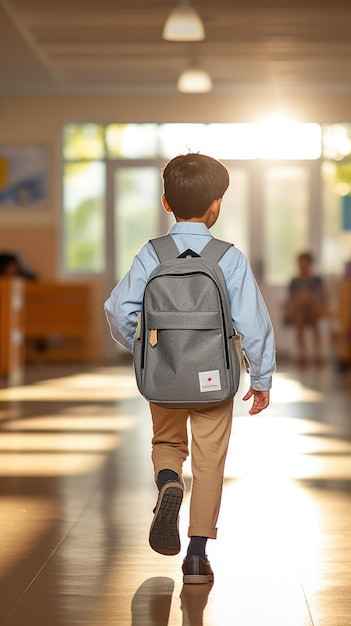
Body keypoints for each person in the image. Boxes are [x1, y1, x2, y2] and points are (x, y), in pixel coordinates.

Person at [104, 153, 276, 584]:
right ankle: (197, 555)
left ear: (166, 203)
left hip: (162, 374)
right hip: (214, 377)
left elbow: (118, 307)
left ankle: (168, 482)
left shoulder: (152, 253)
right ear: (217, 204)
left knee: (167, 440)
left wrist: (141, 348)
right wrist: (261, 378)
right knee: (210, 460)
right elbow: (254, 323)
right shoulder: (228, 258)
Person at [284, 251, 327, 365]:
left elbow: (321, 297)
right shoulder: (294, 281)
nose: (302, 265)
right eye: (300, 263)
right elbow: (291, 299)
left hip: (313, 310)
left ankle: (315, 354)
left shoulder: (316, 280)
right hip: (300, 312)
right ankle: (303, 354)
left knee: (306, 300)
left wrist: (307, 297)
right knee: (299, 309)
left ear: (310, 264)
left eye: (304, 263)